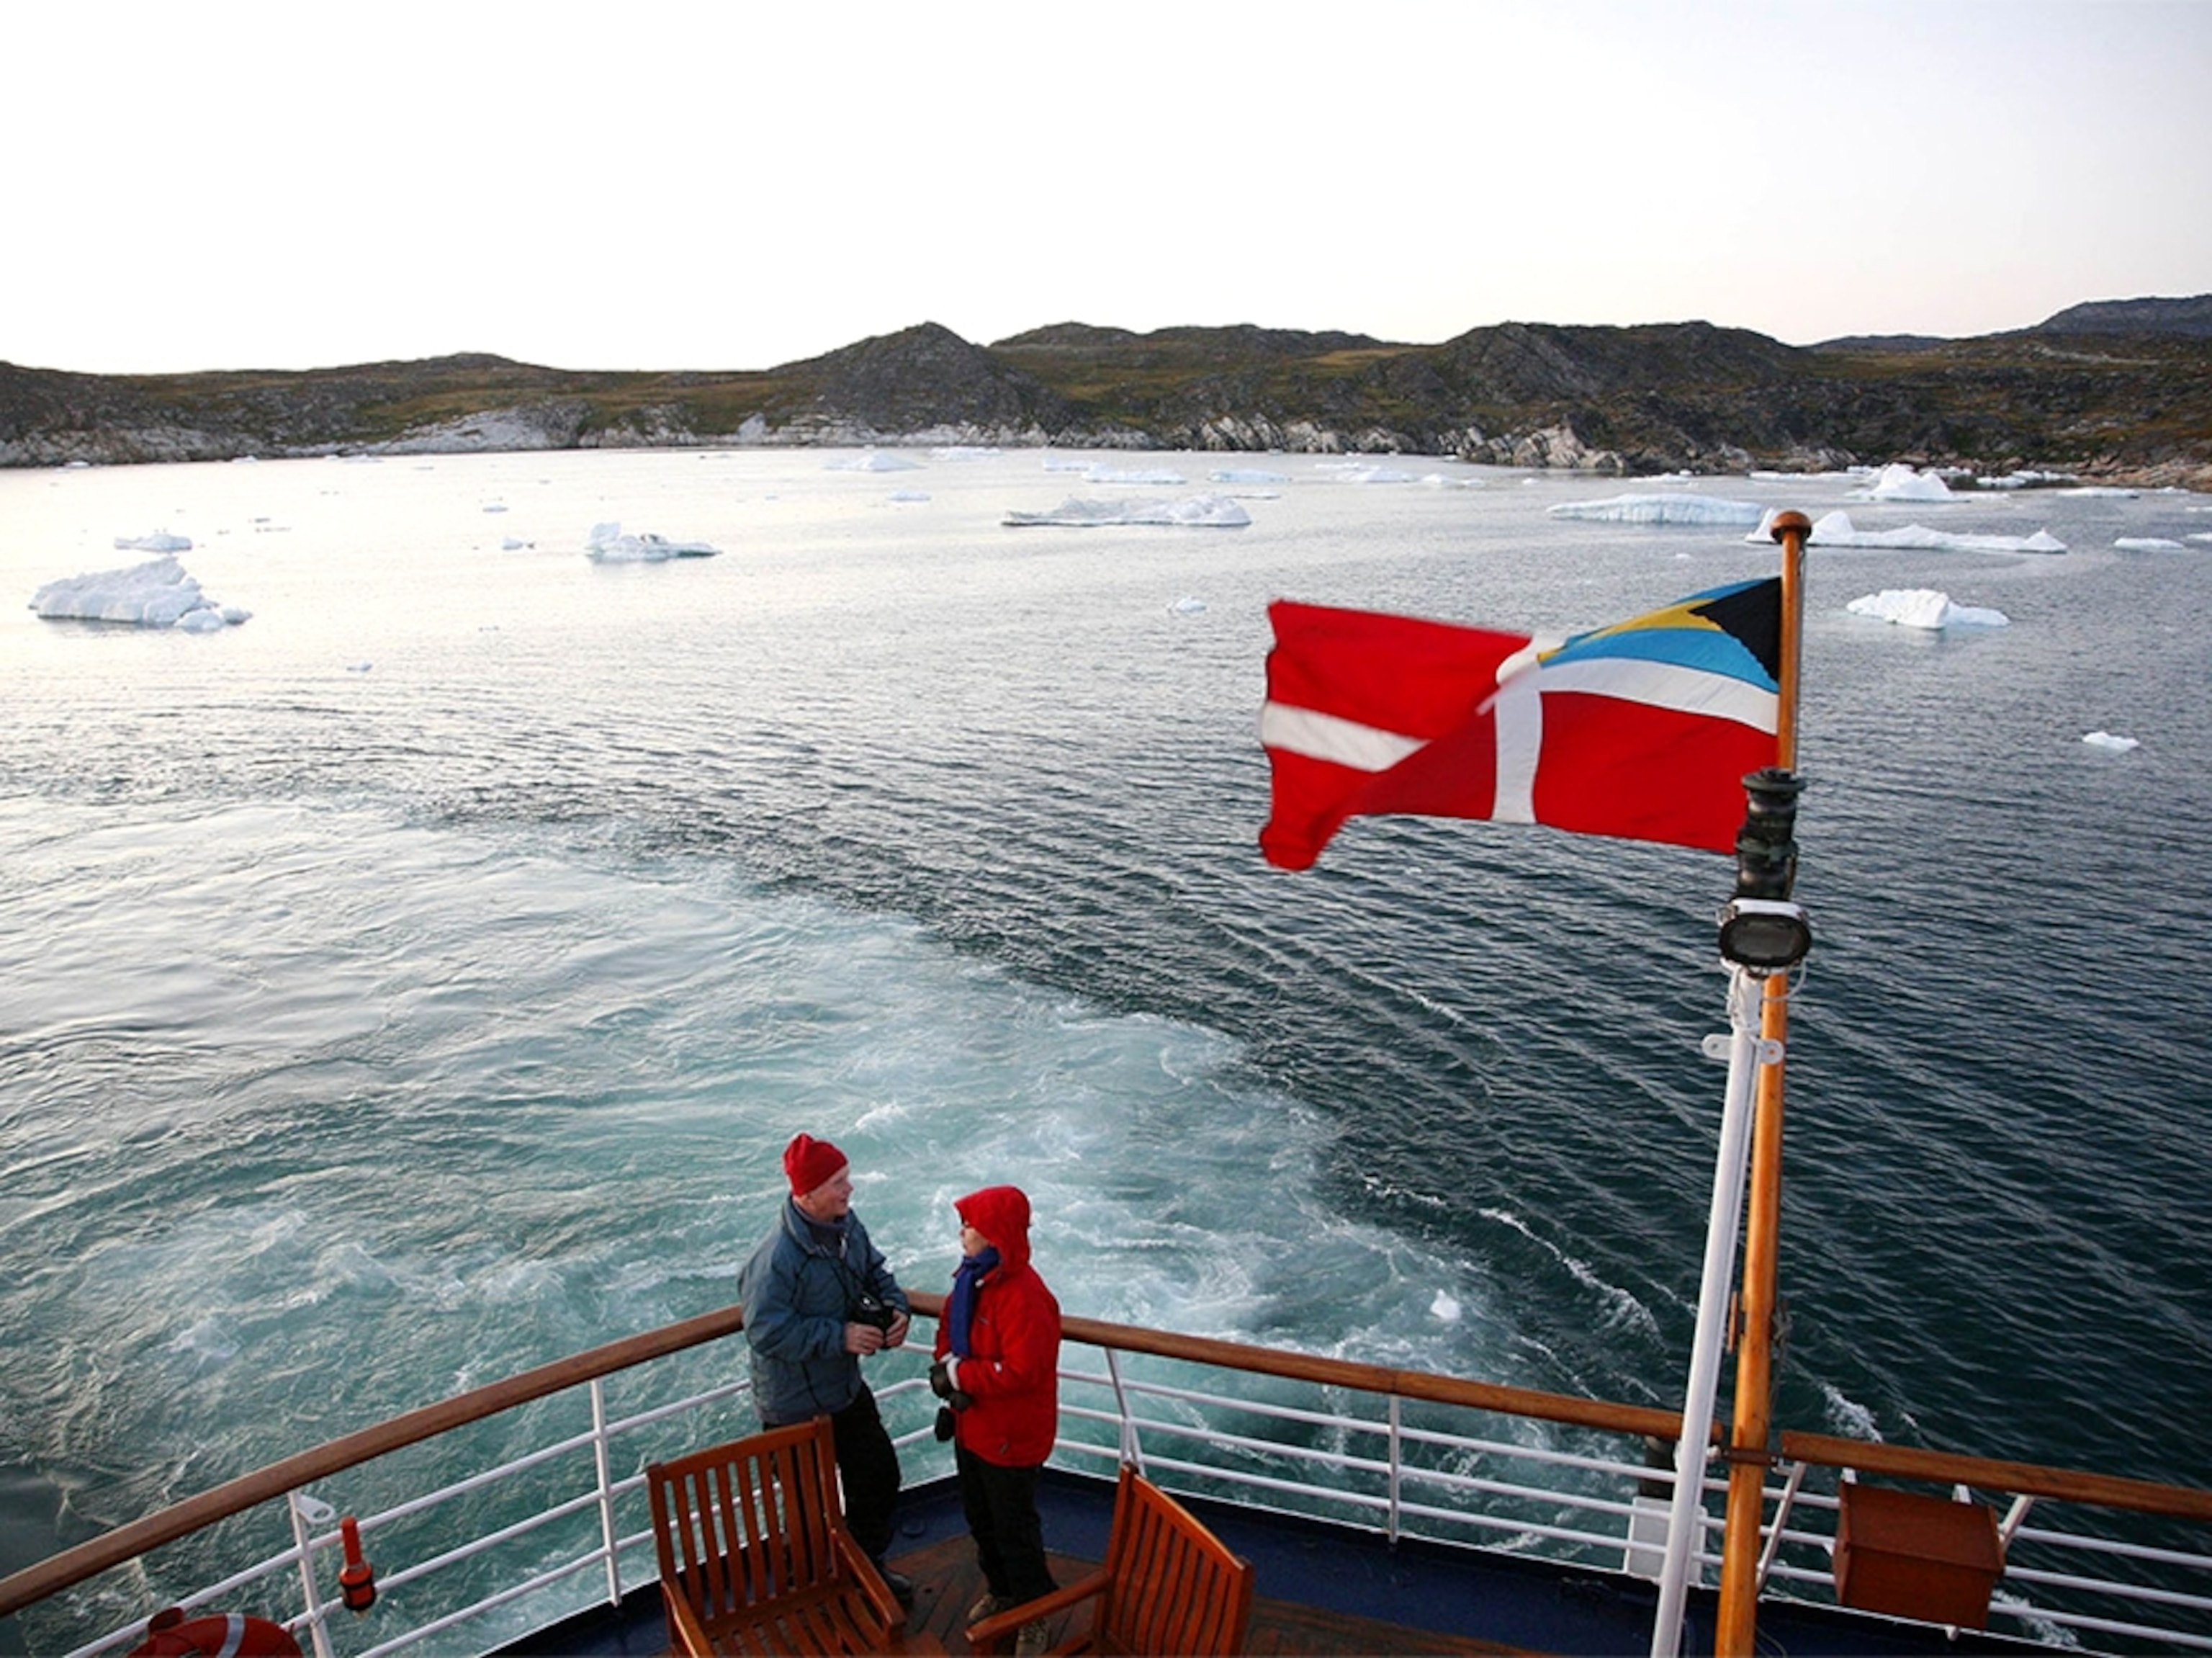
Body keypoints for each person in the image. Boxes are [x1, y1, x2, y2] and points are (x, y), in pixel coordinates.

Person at [737, 1132, 914, 1603]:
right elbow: (765, 1331)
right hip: (791, 1405)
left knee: (878, 1479)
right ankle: (815, 1593)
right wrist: (839, 1336)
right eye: (838, 1182)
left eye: (846, 1178)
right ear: (806, 1194)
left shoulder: (846, 1227)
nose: (849, 1189)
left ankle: (864, 1570)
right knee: (806, 1510)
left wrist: (897, 1310)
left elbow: (876, 1273)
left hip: (842, 1390)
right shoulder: (776, 1258)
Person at [930, 1185, 1061, 1656]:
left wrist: (959, 1373)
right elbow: (948, 1331)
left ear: (995, 1236)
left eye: (970, 1225)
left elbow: (1025, 1371)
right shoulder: (973, 1280)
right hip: (974, 1428)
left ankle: (1034, 1614)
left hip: (1012, 1436)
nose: (962, 1232)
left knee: (1015, 1530)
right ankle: (1003, 1592)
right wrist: (947, 1366)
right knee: (982, 1520)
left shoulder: (1025, 1297)